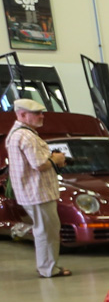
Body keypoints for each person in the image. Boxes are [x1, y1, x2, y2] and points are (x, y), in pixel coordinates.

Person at [5, 97, 69, 277]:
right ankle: (48, 269)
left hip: (32, 192)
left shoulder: (17, 134)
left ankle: (46, 266)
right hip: (37, 193)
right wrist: (56, 159)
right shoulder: (26, 136)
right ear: (23, 115)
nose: (42, 116)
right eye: (37, 113)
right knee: (46, 231)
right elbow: (40, 164)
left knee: (45, 229)